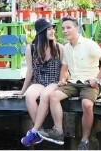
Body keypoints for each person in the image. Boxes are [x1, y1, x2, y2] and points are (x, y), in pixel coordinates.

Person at [36, 16, 101, 149]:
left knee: (87, 104)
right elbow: (64, 67)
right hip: (73, 82)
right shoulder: (66, 48)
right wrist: (62, 79)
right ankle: (58, 131)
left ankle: (84, 140)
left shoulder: (89, 44)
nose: (65, 31)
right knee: (53, 96)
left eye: (69, 28)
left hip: (89, 82)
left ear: (77, 28)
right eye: (63, 28)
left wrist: (97, 79)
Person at [20, 18, 68, 147]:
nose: (52, 31)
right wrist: (22, 90)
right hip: (38, 81)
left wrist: (62, 80)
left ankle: (34, 131)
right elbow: (30, 71)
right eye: (48, 29)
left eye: (52, 29)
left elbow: (64, 68)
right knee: (29, 96)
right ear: (41, 32)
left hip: (54, 81)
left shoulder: (59, 48)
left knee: (45, 95)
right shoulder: (31, 48)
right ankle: (40, 131)